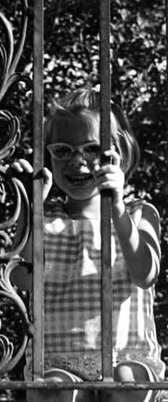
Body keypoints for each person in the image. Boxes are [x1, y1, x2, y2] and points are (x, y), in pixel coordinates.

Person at [13, 88, 164, 402]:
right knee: (54, 390)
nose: (77, 161)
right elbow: (20, 278)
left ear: (118, 154)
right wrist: (32, 211)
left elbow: (145, 274)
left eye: (92, 148)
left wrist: (118, 209)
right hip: (60, 360)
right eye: (63, 150)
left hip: (126, 355)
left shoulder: (138, 213)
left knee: (127, 383)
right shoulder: (47, 217)